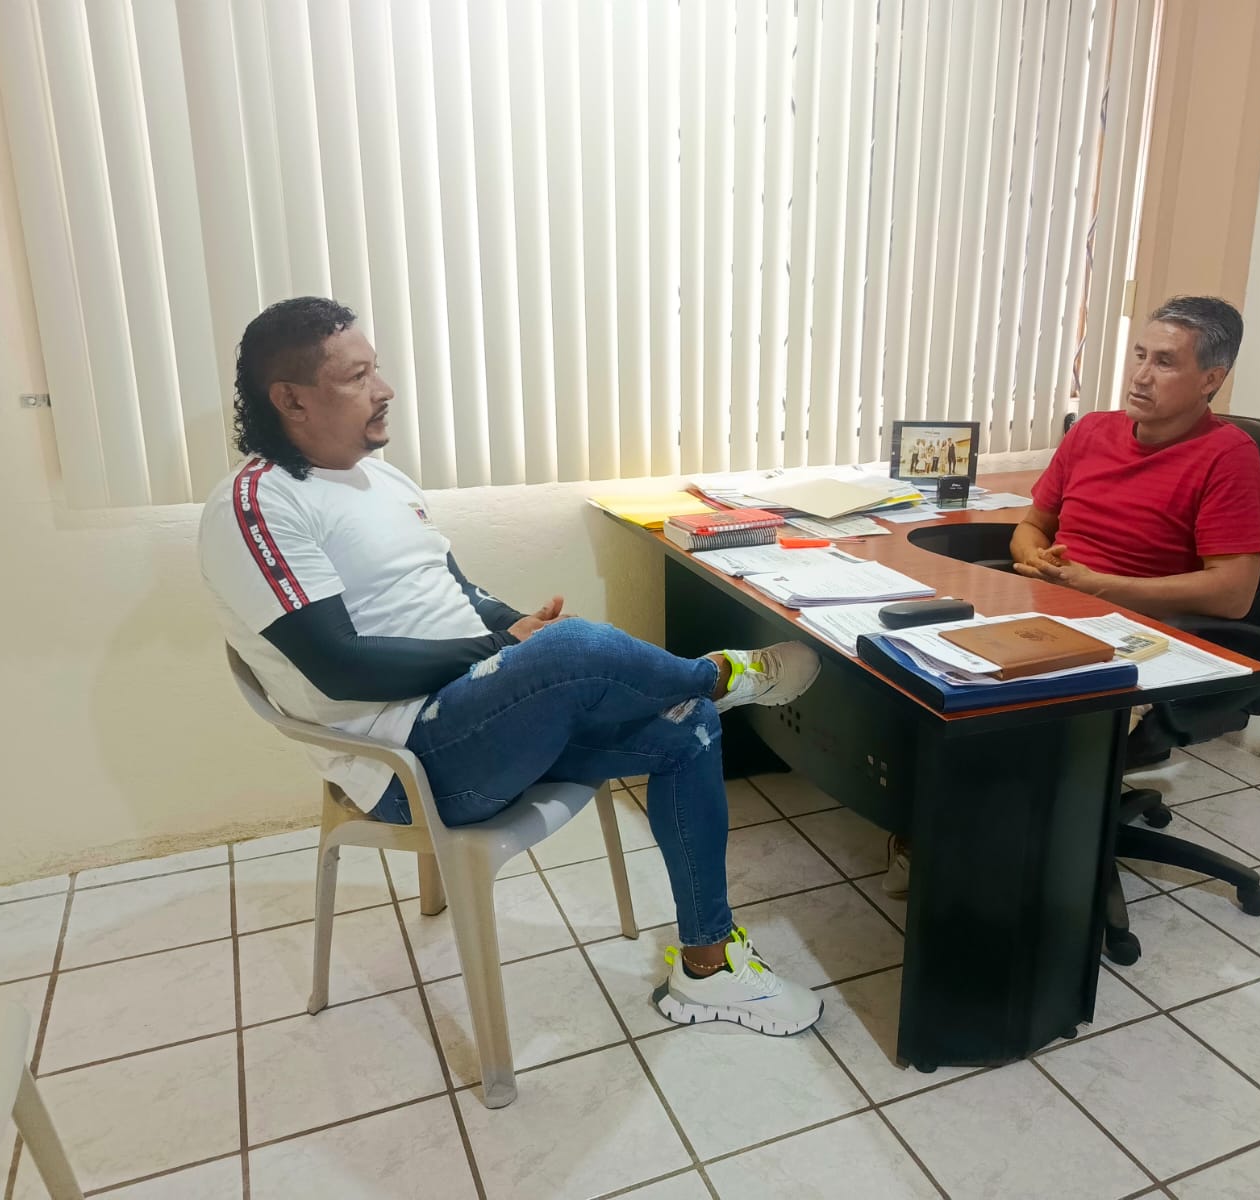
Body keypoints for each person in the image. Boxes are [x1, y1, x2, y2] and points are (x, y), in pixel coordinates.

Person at [200, 297, 826, 1036]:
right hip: (410, 763)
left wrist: (511, 623)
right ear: (292, 399)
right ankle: (720, 677)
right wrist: (511, 651)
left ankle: (708, 966)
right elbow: (339, 668)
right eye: (358, 376)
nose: (384, 389)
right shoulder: (258, 505)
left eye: (377, 370)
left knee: (684, 727)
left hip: (480, 717)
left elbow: (454, 591)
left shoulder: (383, 480)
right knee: (578, 651)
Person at [882, 296, 1260, 898]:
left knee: (988, 718)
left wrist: (1101, 587)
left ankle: (979, 872)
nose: (1141, 375)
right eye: (1140, 355)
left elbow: (1234, 592)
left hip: (1134, 636)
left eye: (1165, 362)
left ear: (1211, 380)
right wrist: (1033, 555)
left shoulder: (1228, 456)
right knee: (908, 670)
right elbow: (1032, 525)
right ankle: (937, 831)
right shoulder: (1091, 431)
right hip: (1044, 610)